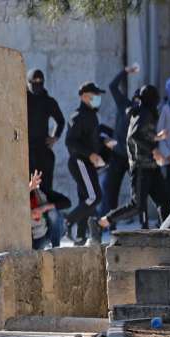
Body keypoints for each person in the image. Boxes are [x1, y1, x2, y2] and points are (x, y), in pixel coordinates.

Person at [97, 85, 170, 235]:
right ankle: (104, 221)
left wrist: (158, 137)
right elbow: (134, 136)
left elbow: (144, 135)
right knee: (136, 205)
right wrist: (154, 149)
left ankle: (168, 234)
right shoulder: (142, 113)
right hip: (141, 167)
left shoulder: (147, 112)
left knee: (164, 202)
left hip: (151, 166)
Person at [65, 82, 106, 245]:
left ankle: (81, 236)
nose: (97, 98)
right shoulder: (78, 116)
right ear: (83, 96)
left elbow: (90, 139)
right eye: (94, 95)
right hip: (80, 162)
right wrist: (90, 154)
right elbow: (70, 141)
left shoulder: (91, 115)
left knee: (86, 198)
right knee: (94, 196)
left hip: (87, 163)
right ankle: (68, 220)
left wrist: (103, 144)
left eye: (98, 95)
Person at [101, 65, 139, 225]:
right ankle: (108, 224)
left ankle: (144, 223)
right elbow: (112, 86)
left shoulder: (145, 113)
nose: (138, 102)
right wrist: (125, 71)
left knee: (139, 193)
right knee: (110, 190)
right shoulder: (124, 104)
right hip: (117, 155)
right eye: (136, 99)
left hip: (133, 157)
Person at [27, 68, 65, 192]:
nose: (37, 84)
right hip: (25, 151)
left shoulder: (48, 101)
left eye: (40, 81)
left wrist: (54, 137)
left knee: (45, 189)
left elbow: (60, 121)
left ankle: (45, 211)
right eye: (34, 81)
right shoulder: (21, 100)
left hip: (43, 150)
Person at [29, 171, 71, 250]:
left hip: (45, 234)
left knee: (53, 212)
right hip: (31, 242)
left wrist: (44, 208)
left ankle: (56, 248)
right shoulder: (17, 198)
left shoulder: (40, 192)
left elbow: (67, 202)